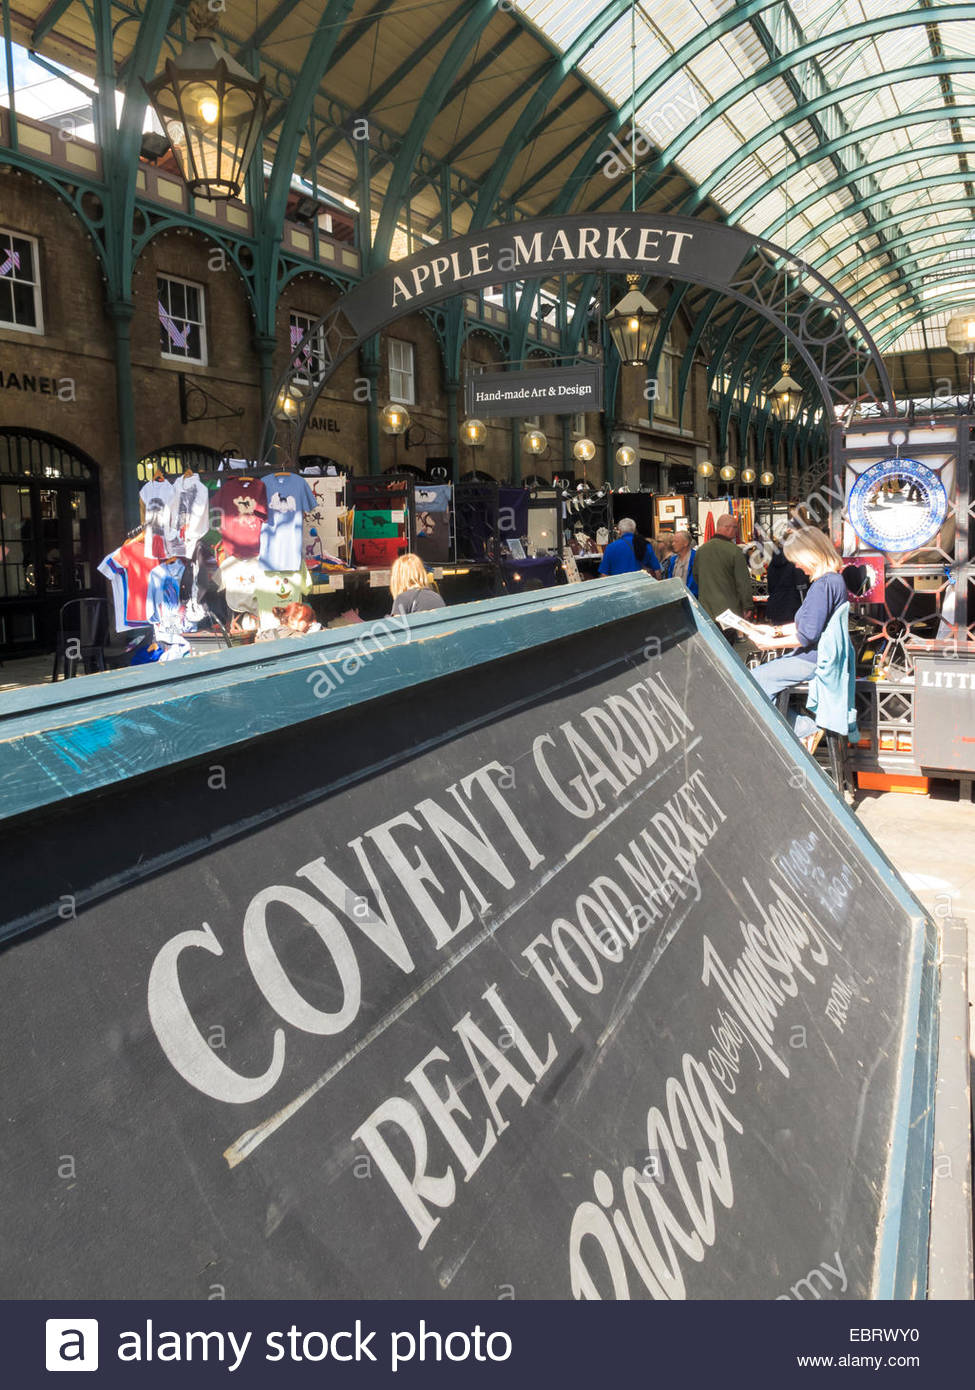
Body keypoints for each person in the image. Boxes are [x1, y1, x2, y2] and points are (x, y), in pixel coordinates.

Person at [748, 528, 850, 736]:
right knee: (758, 679)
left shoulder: (822, 585)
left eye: (797, 559)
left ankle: (804, 729)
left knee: (750, 683)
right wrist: (773, 631)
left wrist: (769, 644)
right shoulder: (832, 581)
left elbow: (806, 635)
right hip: (821, 657)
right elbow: (808, 626)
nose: (796, 565)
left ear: (810, 554)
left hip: (812, 659)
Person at [693, 513, 752, 624]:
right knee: (729, 640)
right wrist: (748, 606)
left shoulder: (701, 550)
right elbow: (743, 583)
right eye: (735, 528)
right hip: (729, 613)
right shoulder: (735, 551)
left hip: (707, 610)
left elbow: (696, 576)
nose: (736, 532)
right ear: (728, 528)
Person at [765, 546, 804, 624]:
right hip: (793, 607)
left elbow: (770, 588)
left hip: (775, 607)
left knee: (778, 632)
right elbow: (801, 587)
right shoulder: (795, 565)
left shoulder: (771, 566)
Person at [254, 602, 321, 641]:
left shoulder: (265, 634)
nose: (310, 624)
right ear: (292, 621)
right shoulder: (301, 639)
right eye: (308, 620)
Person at [662, 528, 698, 597]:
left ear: (685, 543)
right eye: (672, 542)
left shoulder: (695, 558)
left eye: (676, 542)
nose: (673, 544)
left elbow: (695, 583)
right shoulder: (673, 560)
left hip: (692, 597)